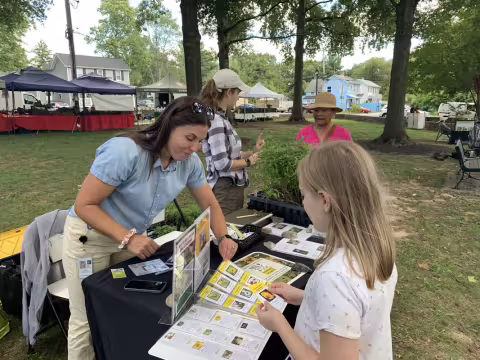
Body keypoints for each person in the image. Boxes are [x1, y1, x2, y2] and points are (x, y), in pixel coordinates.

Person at [62, 97, 238, 360]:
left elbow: (210, 203)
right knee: (85, 316)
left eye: (201, 140)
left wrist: (223, 235)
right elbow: (85, 205)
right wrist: (129, 238)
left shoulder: (188, 163)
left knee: (118, 304)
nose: (195, 148)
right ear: (167, 127)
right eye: (189, 138)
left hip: (128, 239)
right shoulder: (125, 151)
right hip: (90, 239)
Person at [256, 141, 397, 360]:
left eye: (303, 195)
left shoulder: (335, 277)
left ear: (324, 200)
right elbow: (357, 308)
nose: (302, 203)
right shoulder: (375, 250)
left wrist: (280, 325)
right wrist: (307, 297)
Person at [200, 69, 265, 215]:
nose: (238, 97)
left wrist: (253, 151)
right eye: (238, 93)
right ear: (229, 92)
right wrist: (248, 163)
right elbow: (222, 164)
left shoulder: (220, 119)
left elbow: (231, 155)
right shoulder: (216, 121)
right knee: (225, 231)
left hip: (231, 187)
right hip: (225, 189)